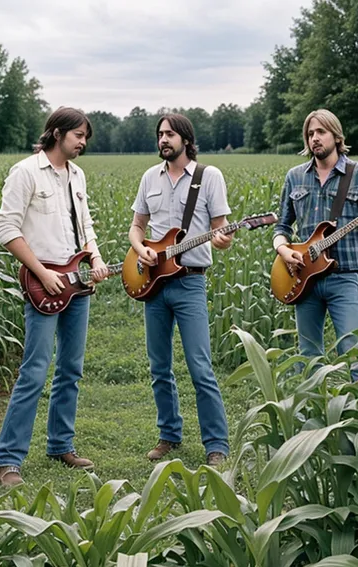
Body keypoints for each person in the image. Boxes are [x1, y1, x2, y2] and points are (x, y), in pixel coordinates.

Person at [0, 107, 106, 486]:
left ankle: (60, 444)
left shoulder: (78, 176)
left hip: (77, 283)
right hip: (42, 284)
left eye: (85, 136)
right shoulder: (25, 172)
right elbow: (6, 228)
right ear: (57, 133)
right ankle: (8, 461)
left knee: (71, 369)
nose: (83, 143)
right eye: (78, 135)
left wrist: (97, 257)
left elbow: (85, 224)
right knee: (34, 371)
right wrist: (42, 273)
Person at [128, 113, 233, 466]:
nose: (163, 140)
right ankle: (169, 435)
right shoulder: (149, 177)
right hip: (154, 284)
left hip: (190, 281)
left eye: (169, 134)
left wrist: (223, 240)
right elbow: (136, 226)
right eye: (159, 134)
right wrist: (140, 247)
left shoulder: (209, 177)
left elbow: (222, 236)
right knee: (159, 367)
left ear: (185, 140)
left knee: (199, 366)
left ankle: (216, 444)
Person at [272, 108, 358, 381]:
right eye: (310, 133)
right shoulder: (295, 176)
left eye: (321, 132)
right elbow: (282, 228)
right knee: (308, 358)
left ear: (336, 136)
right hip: (303, 278)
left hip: (344, 276)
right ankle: (310, 418)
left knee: (356, 353)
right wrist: (284, 250)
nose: (314, 138)